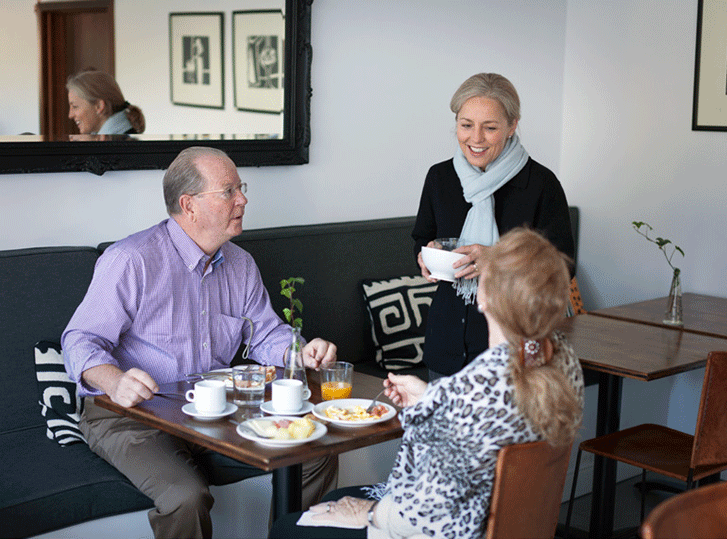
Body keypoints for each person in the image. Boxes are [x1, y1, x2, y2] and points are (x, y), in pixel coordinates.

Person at [62, 146, 338, 539]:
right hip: (132, 416)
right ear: (189, 205)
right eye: (228, 191)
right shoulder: (132, 260)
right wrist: (113, 381)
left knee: (315, 455)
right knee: (185, 496)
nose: (243, 199)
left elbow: (264, 333)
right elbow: (81, 339)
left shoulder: (240, 264)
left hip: (213, 411)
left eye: (240, 188)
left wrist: (301, 351)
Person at [268, 227, 584, 539]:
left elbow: (420, 515)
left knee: (289, 527)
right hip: (515, 529)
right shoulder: (563, 361)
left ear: (483, 298)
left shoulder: (470, 390)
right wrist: (432, 398)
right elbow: (488, 424)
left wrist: (365, 512)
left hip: (441, 532)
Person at [413, 72, 576, 380]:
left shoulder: (541, 184)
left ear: (512, 126)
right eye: (466, 125)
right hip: (446, 344)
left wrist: (496, 260)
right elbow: (422, 238)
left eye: (489, 128)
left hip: (515, 349)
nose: (475, 138)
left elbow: (562, 268)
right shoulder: (440, 178)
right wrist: (426, 257)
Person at [67, 69, 145, 135]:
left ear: (99, 106)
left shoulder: (116, 147)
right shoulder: (122, 140)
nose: (70, 115)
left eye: (75, 106)